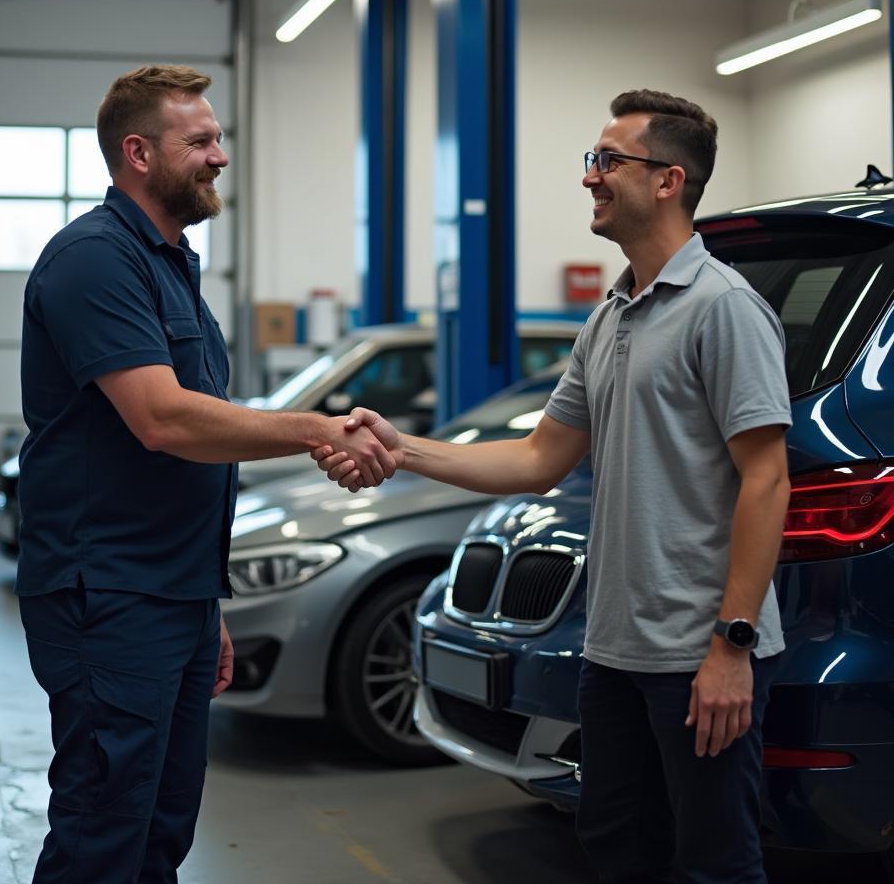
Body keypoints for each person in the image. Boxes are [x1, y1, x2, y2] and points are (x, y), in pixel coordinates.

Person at [316, 89, 792, 883]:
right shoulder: (611, 317)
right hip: (612, 650)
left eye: (609, 161)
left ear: (668, 180)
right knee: (614, 847)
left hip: (699, 650)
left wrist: (731, 646)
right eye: (592, 160)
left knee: (716, 862)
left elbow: (767, 480)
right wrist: (403, 451)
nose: (590, 178)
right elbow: (539, 458)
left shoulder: (723, 308)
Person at [17, 64, 395, 884]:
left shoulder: (171, 264)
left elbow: (201, 434)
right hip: (108, 593)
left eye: (218, 138)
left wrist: (206, 601)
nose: (220, 156)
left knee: (161, 827)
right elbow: (164, 419)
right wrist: (316, 429)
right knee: (103, 827)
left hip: (172, 594)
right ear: (138, 153)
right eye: (201, 141)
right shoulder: (94, 259)